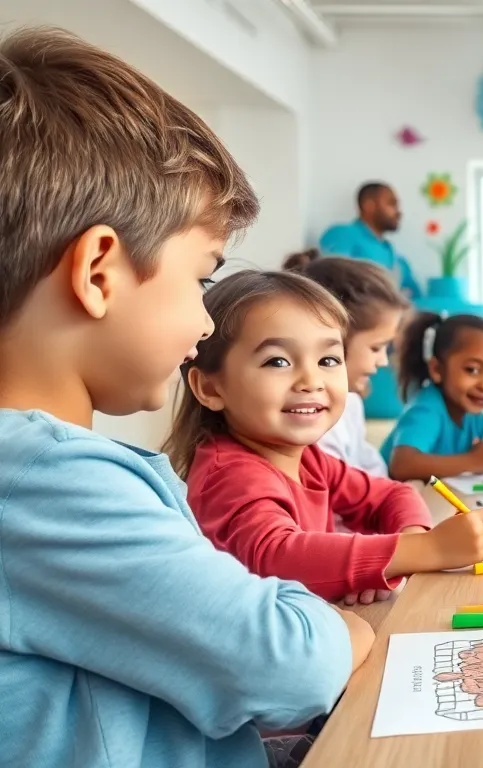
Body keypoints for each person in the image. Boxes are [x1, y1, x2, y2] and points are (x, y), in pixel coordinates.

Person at [0, 27, 370, 768]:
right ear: (100, 271)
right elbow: (291, 664)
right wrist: (344, 631)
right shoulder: (45, 483)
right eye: (200, 279)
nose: (205, 322)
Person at [168, 270, 483, 604]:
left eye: (327, 359)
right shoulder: (231, 475)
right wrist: (424, 550)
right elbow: (277, 556)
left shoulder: (309, 458)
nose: (311, 381)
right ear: (210, 387)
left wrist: (411, 544)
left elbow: (391, 495)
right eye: (278, 361)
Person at [284, 248, 408, 476]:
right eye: (376, 348)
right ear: (335, 341)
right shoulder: (309, 415)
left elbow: (371, 468)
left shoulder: (351, 404)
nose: (382, 361)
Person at [383, 312, 483, 480]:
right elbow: (401, 465)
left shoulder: (476, 419)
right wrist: (473, 461)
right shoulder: (427, 410)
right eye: (472, 370)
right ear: (437, 369)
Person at [319, 182, 421, 298]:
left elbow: (416, 296)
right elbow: (329, 281)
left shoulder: (395, 256)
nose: (398, 212)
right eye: (391, 204)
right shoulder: (342, 234)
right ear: (369, 205)